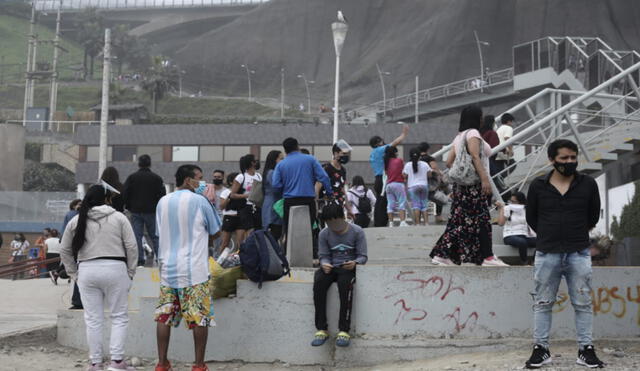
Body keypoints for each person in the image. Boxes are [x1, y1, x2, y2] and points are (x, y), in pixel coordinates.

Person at [524, 139, 604, 369]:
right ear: (552, 160)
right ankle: (541, 349)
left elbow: (592, 216)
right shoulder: (538, 185)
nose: (570, 162)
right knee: (542, 302)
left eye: (573, 157)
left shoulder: (588, 184)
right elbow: (532, 218)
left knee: (583, 302)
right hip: (547, 253)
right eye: (564, 158)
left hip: (578, 252)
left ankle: (586, 350)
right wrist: (550, 234)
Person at [59, 184, 138, 371]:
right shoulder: (119, 218)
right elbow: (132, 247)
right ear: (107, 199)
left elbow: (64, 249)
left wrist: (74, 274)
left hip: (87, 270)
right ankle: (117, 362)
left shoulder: (77, 220)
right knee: (119, 316)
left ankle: (95, 363)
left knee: (93, 319)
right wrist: (130, 272)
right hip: (116, 268)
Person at [155, 165, 222, 371]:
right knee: (200, 317)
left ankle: (162, 363)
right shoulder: (200, 201)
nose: (202, 183)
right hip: (194, 270)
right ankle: (199, 365)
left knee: (164, 316)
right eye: (199, 179)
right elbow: (216, 230)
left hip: (168, 269)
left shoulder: (162, 201)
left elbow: (160, 232)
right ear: (187, 180)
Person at [429, 105, 508, 267]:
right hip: (474, 185)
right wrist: (484, 179)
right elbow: (474, 156)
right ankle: (487, 257)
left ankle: (442, 254)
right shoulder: (473, 133)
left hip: (461, 187)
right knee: (482, 220)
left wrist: (463, 174)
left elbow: (449, 162)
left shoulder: (459, 136)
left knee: (459, 221)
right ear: (477, 118)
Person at [311, 203, 367, 348]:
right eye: (330, 223)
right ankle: (321, 328)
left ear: (343, 217)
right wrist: (324, 263)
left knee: (345, 285)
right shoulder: (324, 233)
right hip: (331, 267)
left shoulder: (357, 231)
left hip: (348, 268)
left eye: (336, 222)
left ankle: (344, 329)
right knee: (319, 282)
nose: (334, 226)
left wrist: (355, 263)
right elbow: (323, 255)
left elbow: (363, 256)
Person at [272, 137, 333, 256]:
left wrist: (286, 186)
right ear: (298, 146)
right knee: (308, 230)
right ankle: (307, 256)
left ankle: (289, 258)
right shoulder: (310, 159)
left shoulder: (281, 164)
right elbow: (324, 177)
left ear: (285, 150)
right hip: (308, 200)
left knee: (289, 230)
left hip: (289, 201)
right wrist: (329, 193)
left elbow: (276, 185)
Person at [122, 154, 166, 266]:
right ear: (150, 164)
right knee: (154, 236)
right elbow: (162, 194)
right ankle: (160, 258)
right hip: (152, 211)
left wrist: (128, 206)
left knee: (137, 235)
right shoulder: (156, 178)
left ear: (139, 164)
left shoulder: (132, 177)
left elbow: (125, 192)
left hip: (136, 211)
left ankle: (140, 259)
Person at [369, 125, 409, 227]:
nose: (383, 142)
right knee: (383, 203)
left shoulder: (373, 153)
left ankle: (381, 223)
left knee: (380, 201)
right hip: (383, 179)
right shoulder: (379, 150)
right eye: (381, 141)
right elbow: (394, 144)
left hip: (377, 179)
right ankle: (380, 223)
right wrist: (403, 134)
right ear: (377, 143)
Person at [229, 154, 262, 244]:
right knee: (249, 230)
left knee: (258, 230)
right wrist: (247, 195)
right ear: (251, 163)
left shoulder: (259, 176)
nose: (257, 162)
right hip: (245, 206)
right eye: (255, 160)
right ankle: (249, 248)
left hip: (257, 206)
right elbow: (232, 195)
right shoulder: (241, 177)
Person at [497, 192, 536, 265]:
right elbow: (500, 223)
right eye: (510, 201)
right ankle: (524, 261)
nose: (511, 203)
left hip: (524, 235)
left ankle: (533, 261)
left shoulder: (526, 210)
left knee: (541, 242)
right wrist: (502, 208)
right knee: (522, 242)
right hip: (510, 236)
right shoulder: (508, 209)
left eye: (514, 201)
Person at [418, 142, 446, 223]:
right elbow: (434, 168)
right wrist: (440, 178)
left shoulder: (416, 159)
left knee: (420, 201)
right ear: (427, 149)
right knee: (439, 198)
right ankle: (438, 216)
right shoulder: (429, 158)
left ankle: (419, 218)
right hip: (430, 183)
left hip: (418, 183)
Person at [403, 147, 432, 225]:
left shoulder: (408, 165)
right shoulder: (425, 164)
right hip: (424, 186)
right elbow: (430, 175)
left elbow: (404, 175)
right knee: (424, 205)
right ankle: (426, 223)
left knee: (416, 206)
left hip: (412, 187)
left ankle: (418, 223)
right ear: (420, 156)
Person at [319, 140, 352, 207]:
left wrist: (348, 208)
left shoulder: (343, 170)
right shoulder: (326, 168)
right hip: (327, 206)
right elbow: (317, 187)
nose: (346, 156)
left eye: (348, 154)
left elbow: (342, 189)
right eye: (344, 153)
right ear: (335, 153)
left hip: (339, 206)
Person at [262, 150, 285, 240]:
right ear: (274, 160)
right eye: (281, 158)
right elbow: (277, 188)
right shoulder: (272, 173)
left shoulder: (269, 172)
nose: (283, 161)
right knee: (274, 232)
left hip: (271, 204)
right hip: (273, 205)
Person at [384, 146, 408, 227]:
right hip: (398, 184)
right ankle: (402, 222)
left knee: (390, 204)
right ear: (394, 152)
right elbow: (402, 172)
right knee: (401, 203)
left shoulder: (386, 162)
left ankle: (391, 223)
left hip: (389, 185)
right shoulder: (399, 161)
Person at [219, 172, 240, 255]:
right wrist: (229, 198)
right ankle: (219, 262)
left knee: (241, 243)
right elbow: (221, 206)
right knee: (225, 243)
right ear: (231, 182)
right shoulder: (225, 192)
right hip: (229, 218)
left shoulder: (242, 192)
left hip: (240, 218)